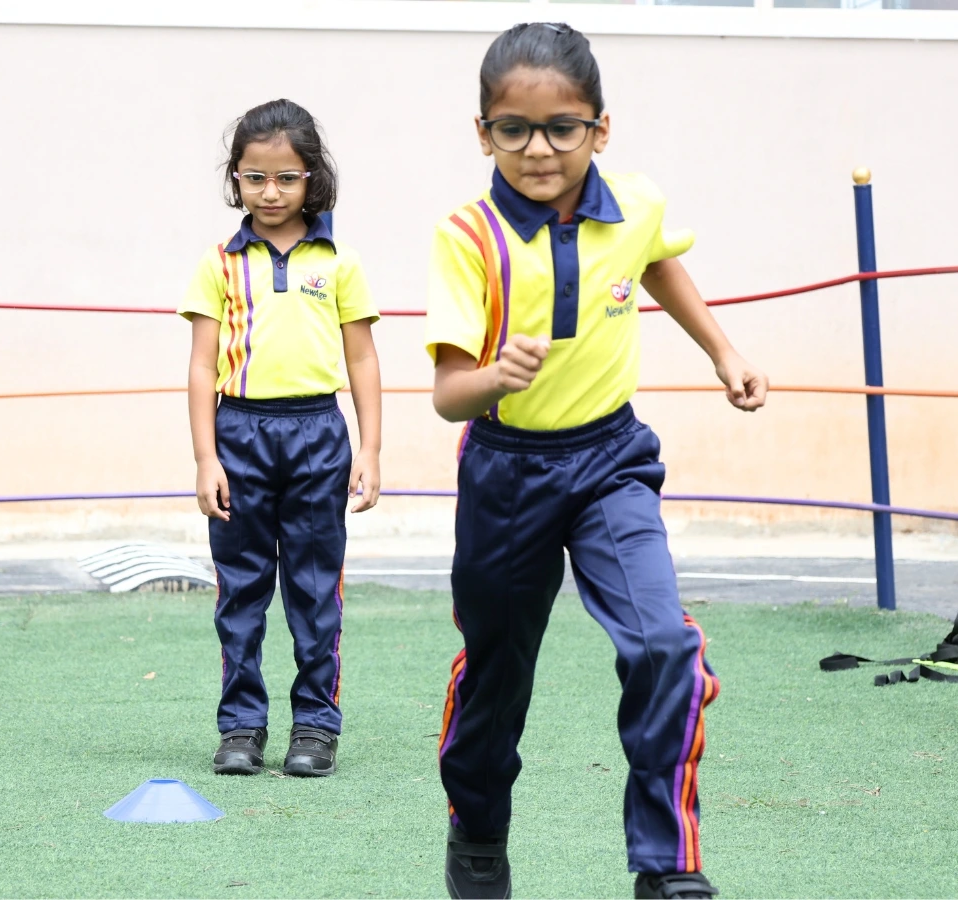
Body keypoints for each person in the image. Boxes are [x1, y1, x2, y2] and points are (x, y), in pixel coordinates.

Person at [426, 23, 768, 899]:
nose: (539, 148)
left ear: (600, 130)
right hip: (507, 471)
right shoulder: (468, 237)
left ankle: (667, 865)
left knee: (664, 644)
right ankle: (478, 830)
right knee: (497, 672)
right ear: (483, 132)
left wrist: (722, 352)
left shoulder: (637, 201)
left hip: (612, 460)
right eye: (514, 128)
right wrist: (493, 375)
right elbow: (447, 393)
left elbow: (654, 262)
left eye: (562, 127)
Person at [179, 99, 382, 778]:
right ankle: (241, 727)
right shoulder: (217, 264)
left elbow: (362, 361)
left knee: (314, 589)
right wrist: (207, 457)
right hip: (238, 435)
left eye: (286, 177)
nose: (270, 192)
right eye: (255, 177)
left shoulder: (340, 262)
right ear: (235, 178)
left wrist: (371, 450)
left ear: (311, 179)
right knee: (241, 590)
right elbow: (203, 363)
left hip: (318, 435)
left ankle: (316, 727)